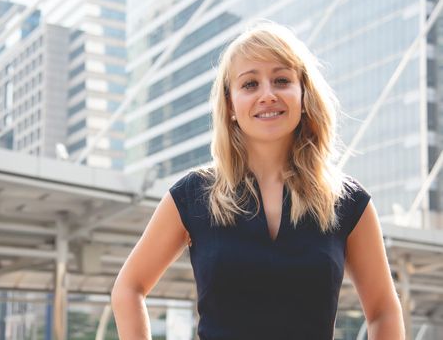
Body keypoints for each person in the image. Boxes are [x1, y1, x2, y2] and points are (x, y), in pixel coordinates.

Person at [111, 21, 405, 339]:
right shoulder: (193, 194)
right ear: (230, 104)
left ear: (304, 95)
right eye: (250, 84)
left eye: (281, 80)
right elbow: (129, 288)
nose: (267, 95)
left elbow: (383, 311)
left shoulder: (348, 202)